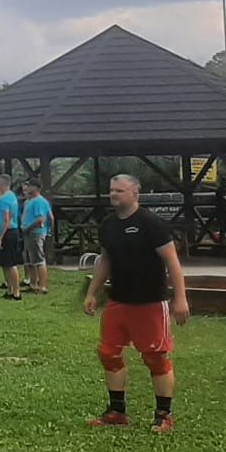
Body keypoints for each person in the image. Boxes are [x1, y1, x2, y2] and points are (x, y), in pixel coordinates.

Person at [84, 174, 190, 433]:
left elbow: (172, 262)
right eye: (111, 190)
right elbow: (105, 260)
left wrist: (180, 298)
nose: (113, 194)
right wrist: (92, 292)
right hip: (119, 300)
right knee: (108, 353)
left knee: (154, 357)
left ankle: (164, 415)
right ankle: (117, 411)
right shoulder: (108, 224)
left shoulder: (151, 223)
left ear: (135, 193)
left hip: (150, 302)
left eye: (119, 190)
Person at [20, 179, 54, 296]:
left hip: (35, 232)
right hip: (29, 233)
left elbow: (41, 219)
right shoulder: (30, 201)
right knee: (31, 260)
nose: (27, 188)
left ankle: (42, 286)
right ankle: (33, 284)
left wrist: (28, 228)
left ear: (36, 187)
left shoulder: (39, 201)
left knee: (39, 259)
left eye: (29, 185)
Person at [0, 178, 24, 301]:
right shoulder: (8, 196)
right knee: (5, 263)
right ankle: (9, 289)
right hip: (6, 231)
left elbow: (7, 220)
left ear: (2, 184)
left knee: (10, 263)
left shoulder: (6, 199)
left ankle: (16, 292)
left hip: (8, 232)